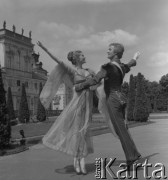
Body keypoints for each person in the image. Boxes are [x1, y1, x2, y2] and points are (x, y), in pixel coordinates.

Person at [75, 43, 142, 167]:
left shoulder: (107, 67)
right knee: (124, 128)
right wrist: (135, 57)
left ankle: (131, 158)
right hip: (122, 98)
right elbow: (130, 64)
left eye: (109, 50)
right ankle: (135, 154)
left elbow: (95, 80)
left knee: (120, 130)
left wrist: (79, 86)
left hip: (113, 99)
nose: (107, 51)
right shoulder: (121, 67)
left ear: (115, 53)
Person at [37, 41, 94, 175]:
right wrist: (44, 48)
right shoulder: (72, 71)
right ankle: (79, 159)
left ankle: (79, 158)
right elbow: (58, 60)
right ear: (76, 59)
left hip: (87, 105)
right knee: (77, 131)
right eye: (82, 55)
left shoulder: (89, 71)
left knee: (84, 131)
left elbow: (97, 82)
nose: (84, 57)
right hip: (77, 104)